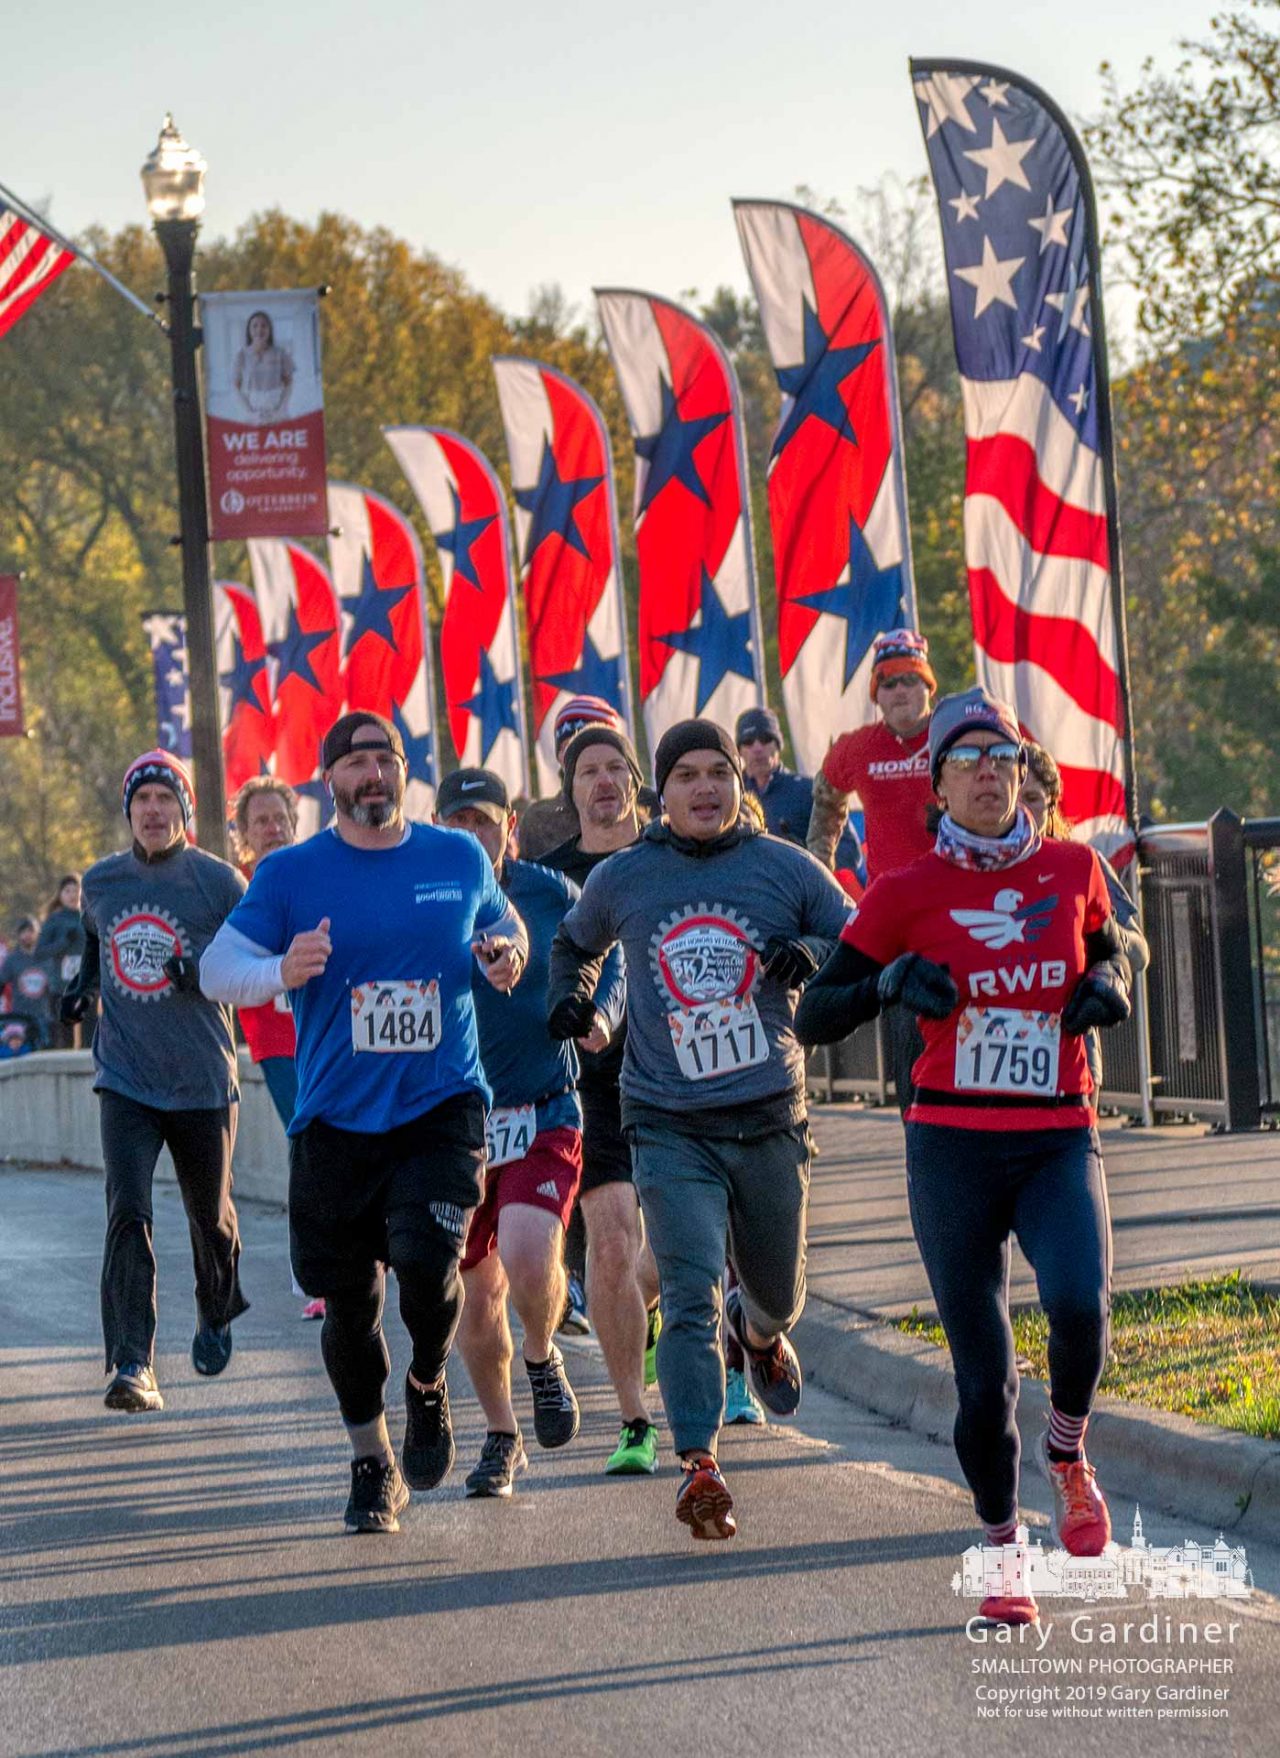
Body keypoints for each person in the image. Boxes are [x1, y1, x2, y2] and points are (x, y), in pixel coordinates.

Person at [796, 689, 1135, 1627]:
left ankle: (1067, 1453)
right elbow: (814, 1014)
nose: (992, 771)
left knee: (1079, 1308)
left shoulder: (1073, 868)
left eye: (1006, 757)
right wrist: (890, 981)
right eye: (970, 759)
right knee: (984, 1380)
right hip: (950, 1146)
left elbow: (1115, 952)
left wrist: (1108, 982)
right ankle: (1000, 1547)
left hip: (1058, 1134)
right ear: (939, 784)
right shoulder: (903, 891)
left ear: (1026, 774)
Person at [200, 712, 529, 1535]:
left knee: (426, 1263)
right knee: (348, 1304)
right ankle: (371, 1464)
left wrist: (506, 954)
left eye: (386, 759)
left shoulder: (454, 855)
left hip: (441, 1102)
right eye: (356, 763)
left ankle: (425, 1382)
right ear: (330, 781)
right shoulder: (290, 874)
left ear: (405, 772)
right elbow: (216, 968)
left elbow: (503, 925)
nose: (372, 774)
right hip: (336, 1118)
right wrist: (282, 969)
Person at [548, 719, 852, 1541]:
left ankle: (756, 1335)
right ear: (662, 791)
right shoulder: (626, 876)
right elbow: (573, 944)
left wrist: (812, 953)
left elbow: (854, 934)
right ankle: (699, 1464)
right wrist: (572, 997)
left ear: (739, 784)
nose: (707, 788)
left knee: (778, 1293)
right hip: (668, 1120)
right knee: (686, 1290)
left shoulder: (783, 866)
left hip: (768, 1116)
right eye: (687, 775)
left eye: (719, 772)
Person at [435, 768, 626, 1494]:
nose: (472, 837)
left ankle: (543, 1356)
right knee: (474, 1298)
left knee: (526, 1247)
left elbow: (609, 955)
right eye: (457, 825)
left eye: (484, 822)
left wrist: (600, 1016)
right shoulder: (428, 899)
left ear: (510, 826)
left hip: (542, 1106)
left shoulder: (550, 892)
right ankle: (501, 1435)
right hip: (454, 1122)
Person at [60, 751, 249, 1414]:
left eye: (165, 799)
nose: (153, 811)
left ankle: (215, 1306)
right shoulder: (102, 881)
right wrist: (79, 991)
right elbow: (94, 941)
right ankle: (133, 1362)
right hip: (127, 1079)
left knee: (212, 1218)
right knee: (127, 1213)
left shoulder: (218, 883)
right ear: (129, 813)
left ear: (185, 810)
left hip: (201, 1078)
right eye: (142, 801)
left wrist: (197, 969)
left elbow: (249, 958)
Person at [541, 724, 667, 1472]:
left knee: (683, 1249)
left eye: (617, 767)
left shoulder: (672, 859)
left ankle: (637, 1314)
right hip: (595, 1082)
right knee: (613, 1237)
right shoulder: (547, 876)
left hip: (684, 1073)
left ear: (635, 782)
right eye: (588, 770)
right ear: (572, 789)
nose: (604, 781)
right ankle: (635, 1422)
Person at [806, 629, 939, 1110]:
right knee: (907, 1028)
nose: (900, 691)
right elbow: (826, 803)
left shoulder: (956, 733)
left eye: (910, 679)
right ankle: (919, 1132)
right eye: (888, 683)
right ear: (876, 697)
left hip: (962, 902)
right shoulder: (857, 747)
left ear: (929, 687)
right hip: (895, 918)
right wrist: (819, 872)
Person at [231, 777, 322, 1320]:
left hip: (332, 1030)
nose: (271, 828)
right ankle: (316, 1274)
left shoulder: (321, 873)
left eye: (278, 817)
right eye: (259, 820)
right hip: (276, 1037)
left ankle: (353, 1259)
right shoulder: (237, 887)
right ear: (243, 833)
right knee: (308, 1140)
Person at [1019, 742, 1150, 1101]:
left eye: (1031, 798)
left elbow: (1137, 949)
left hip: (1070, 1052)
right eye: (1012, 799)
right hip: (981, 1070)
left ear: (1051, 805)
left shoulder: (1079, 864)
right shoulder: (965, 868)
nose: (1022, 813)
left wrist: (1103, 957)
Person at [518, 695, 660, 862]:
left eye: (613, 766)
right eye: (570, 746)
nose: (580, 754)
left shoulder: (656, 807)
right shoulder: (541, 822)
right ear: (559, 755)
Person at [735, 706, 863, 883]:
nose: (757, 748)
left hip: (801, 893)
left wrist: (811, 867)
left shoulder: (807, 791)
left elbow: (849, 852)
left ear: (778, 745)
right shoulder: (730, 797)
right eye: (748, 741)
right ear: (739, 750)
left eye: (765, 739)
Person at [37, 875, 85, 1048]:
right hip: (61, 986)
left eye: (76, 890)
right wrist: (63, 943)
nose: (72, 895)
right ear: (60, 895)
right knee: (65, 1036)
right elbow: (39, 952)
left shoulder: (90, 916)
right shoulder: (54, 920)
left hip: (87, 983)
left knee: (90, 1032)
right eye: (68, 891)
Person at [0, 916, 53, 1049]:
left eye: (31, 931)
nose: (27, 935)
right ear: (18, 935)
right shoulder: (12, 960)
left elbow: (55, 989)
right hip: (20, 1019)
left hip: (43, 1017)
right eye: (23, 932)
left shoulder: (47, 958)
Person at [232, 309, 294, 424]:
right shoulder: (242, 355)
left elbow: (289, 384)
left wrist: (280, 410)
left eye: (263, 326)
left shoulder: (280, 353)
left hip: (277, 411)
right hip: (252, 412)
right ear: (249, 330)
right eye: (255, 326)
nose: (259, 330)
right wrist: (249, 412)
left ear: (269, 330)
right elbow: (236, 387)